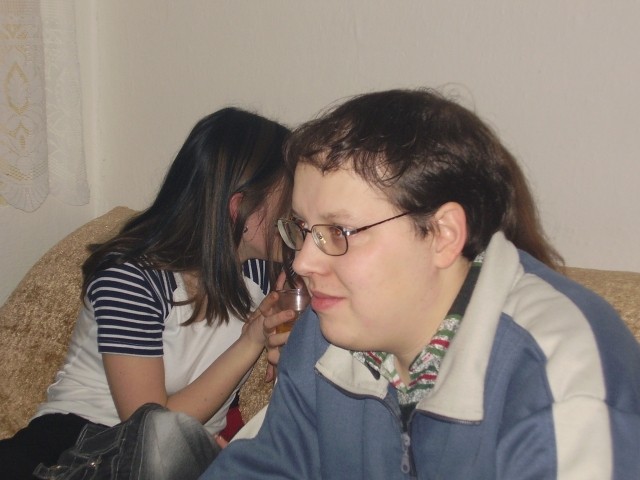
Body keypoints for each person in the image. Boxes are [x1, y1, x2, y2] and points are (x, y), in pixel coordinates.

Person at [201, 89, 640, 479]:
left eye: (338, 232)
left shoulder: (558, 371)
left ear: (443, 235)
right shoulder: (323, 335)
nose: (303, 261)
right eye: (302, 228)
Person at [0, 107, 292, 479]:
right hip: (75, 451)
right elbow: (149, 428)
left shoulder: (261, 273)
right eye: (288, 202)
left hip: (178, 462)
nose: (297, 215)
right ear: (239, 208)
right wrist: (251, 341)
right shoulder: (130, 277)